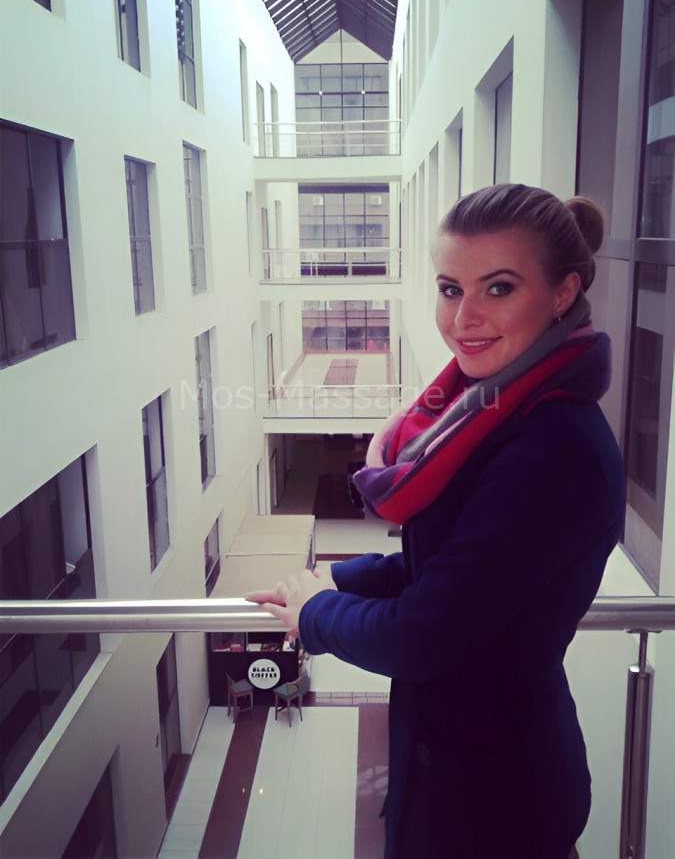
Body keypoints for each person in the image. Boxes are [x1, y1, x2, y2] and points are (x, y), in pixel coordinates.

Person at [246, 183, 626, 858]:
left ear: (562, 294)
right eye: (450, 289)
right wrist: (338, 580)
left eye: (498, 288)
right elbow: (456, 570)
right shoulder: (492, 409)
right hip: (465, 775)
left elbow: (423, 633)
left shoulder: (552, 446)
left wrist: (316, 613)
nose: (463, 318)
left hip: (496, 806)